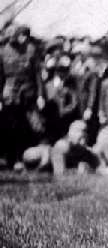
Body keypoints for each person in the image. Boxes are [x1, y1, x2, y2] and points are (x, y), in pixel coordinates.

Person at [0, 25, 45, 170]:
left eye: (26, 36)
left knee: (29, 128)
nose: (24, 39)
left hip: (28, 94)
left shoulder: (31, 50)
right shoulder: (2, 52)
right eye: (21, 35)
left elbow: (38, 75)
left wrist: (40, 95)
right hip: (10, 95)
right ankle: (10, 159)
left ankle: (25, 159)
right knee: (9, 128)